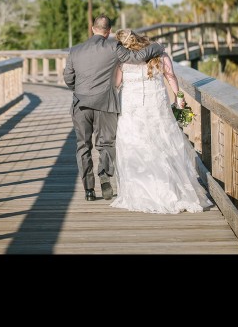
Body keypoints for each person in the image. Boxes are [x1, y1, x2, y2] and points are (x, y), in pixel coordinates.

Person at [63, 14, 165, 202]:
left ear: (93, 28)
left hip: (81, 104)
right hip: (105, 103)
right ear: (108, 31)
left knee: (83, 146)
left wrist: (81, 90)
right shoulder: (113, 46)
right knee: (107, 143)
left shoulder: (75, 51)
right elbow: (137, 57)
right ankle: (104, 173)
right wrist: (157, 46)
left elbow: (68, 78)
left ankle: (88, 191)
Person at [110, 29, 213, 214]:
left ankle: (141, 191)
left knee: (135, 146)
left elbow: (116, 84)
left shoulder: (122, 60)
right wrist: (179, 96)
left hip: (131, 108)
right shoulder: (159, 54)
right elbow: (171, 76)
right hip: (156, 105)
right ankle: (172, 191)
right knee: (164, 144)